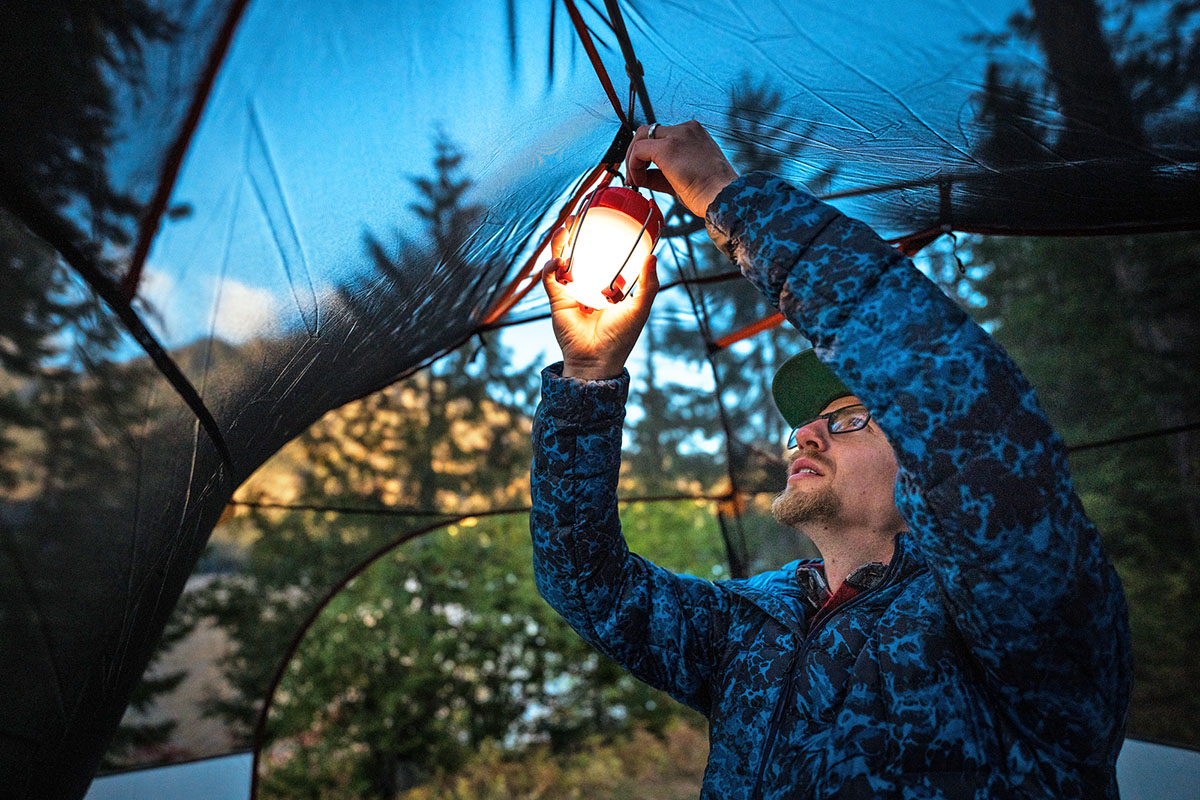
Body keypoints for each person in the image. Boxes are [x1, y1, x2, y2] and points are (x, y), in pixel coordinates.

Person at [529, 120, 1131, 799]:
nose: (806, 436)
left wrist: (730, 201)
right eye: (805, 425)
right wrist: (588, 376)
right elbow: (583, 580)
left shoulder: (1010, 614)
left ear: (925, 465)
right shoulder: (745, 627)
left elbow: (969, 421)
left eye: (844, 419)